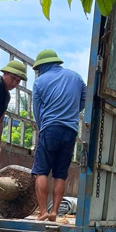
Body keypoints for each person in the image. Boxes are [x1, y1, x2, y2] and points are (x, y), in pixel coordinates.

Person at [31, 49, 86, 221]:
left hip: (50, 129)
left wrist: (43, 128)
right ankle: (55, 211)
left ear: (42, 66)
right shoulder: (76, 77)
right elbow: (84, 100)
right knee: (60, 174)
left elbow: (37, 111)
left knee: (41, 171)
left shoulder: (40, 82)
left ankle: (42, 211)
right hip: (70, 131)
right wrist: (71, 113)